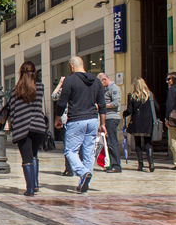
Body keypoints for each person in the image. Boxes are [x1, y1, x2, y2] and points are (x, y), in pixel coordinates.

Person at [54, 56, 107, 194]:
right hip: (93, 120)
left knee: (70, 151)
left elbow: (61, 102)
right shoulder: (96, 81)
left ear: (72, 66)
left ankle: (83, 173)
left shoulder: (70, 80)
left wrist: (57, 118)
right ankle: (84, 182)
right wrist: (103, 124)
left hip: (76, 120)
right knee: (89, 152)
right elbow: (102, 104)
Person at [8, 62, 47, 196]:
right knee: (34, 154)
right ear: (34, 72)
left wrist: (12, 124)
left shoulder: (15, 91)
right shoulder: (40, 87)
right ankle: (35, 184)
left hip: (22, 127)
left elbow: (11, 110)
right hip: (38, 127)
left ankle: (29, 189)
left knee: (27, 159)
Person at [122, 77, 159, 173]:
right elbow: (157, 108)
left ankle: (140, 164)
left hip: (136, 122)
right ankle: (151, 163)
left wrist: (124, 113)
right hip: (148, 122)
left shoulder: (131, 96)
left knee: (137, 143)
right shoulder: (150, 95)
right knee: (148, 142)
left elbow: (129, 110)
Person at [98, 73, 123, 173]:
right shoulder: (106, 90)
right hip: (107, 118)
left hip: (112, 118)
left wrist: (101, 106)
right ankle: (110, 163)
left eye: (101, 83)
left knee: (113, 142)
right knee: (108, 143)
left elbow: (116, 103)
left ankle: (116, 165)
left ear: (104, 80)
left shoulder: (114, 88)